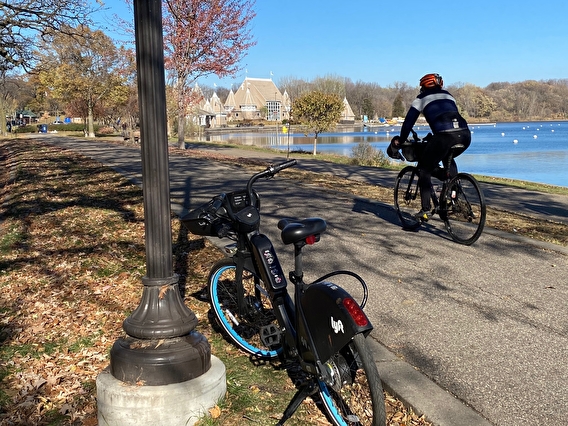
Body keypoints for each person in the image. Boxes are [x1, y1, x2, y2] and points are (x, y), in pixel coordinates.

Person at [389, 73, 471, 222]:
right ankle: (453, 194)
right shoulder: (449, 96)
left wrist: (400, 141)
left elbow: (408, 123)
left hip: (444, 136)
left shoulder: (421, 99)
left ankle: (425, 210)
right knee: (448, 157)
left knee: (424, 169)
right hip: (465, 135)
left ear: (423, 86)